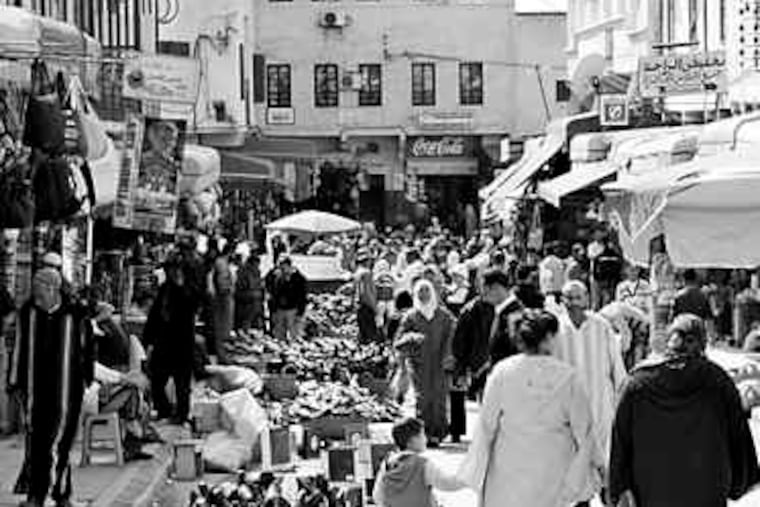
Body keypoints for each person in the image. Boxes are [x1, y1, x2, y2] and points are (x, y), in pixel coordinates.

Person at [609, 314, 760, 507]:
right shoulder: (718, 381)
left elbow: (619, 442)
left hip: (652, 494)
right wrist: (738, 483)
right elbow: (738, 438)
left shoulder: (636, 384)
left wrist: (619, 487)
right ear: (702, 343)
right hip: (707, 492)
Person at [458, 309, 601, 507]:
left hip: (508, 466)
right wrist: (593, 467)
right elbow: (583, 432)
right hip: (552, 466)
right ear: (549, 337)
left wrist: (478, 471)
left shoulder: (503, 371)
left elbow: (486, 425)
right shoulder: (568, 376)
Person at [9, 263, 94, 507]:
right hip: (35, 390)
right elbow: (19, 348)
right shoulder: (29, 313)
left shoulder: (75, 314)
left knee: (60, 443)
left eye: (40, 291)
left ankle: (60, 494)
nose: (36, 296)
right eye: (34, 291)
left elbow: (87, 348)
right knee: (37, 444)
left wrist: (87, 378)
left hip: (66, 391)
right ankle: (36, 495)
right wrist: (14, 382)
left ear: (54, 289)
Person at [555, 280, 627, 505]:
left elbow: (617, 369)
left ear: (587, 298)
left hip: (601, 412)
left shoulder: (601, 327)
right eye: (569, 298)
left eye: (578, 298)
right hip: (569, 418)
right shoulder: (555, 330)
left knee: (606, 473)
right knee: (577, 475)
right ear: (562, 301)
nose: (574, 303)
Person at [394, 280, 456, 447]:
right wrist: (411, 339)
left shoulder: (443, 315)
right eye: (420, 291)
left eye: (426, 291)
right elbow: (398, 341)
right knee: (423, 398)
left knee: (439, 398)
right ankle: (425, 433)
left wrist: (448, 356)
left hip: (439, 363)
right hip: (419, 364)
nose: (423, 295)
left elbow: (452, 335)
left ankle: (439, 432)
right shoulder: (411, 316)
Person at [90, 303, 153, 461]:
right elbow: (96, 371)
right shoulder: (84, 348)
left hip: (100, 391)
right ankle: (134, 435)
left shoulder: (102, 332)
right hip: (91, 398)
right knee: (133, 390)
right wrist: (124, 379)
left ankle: (134, 434)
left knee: (135, 391)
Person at [144, 254, 201, 425]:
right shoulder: (164, 290)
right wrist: (148, 340)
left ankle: (181, 415)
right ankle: (164, 410)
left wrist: (182, 284)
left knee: (182, 384)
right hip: (164, 343)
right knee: (157, 380)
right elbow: (155, 315)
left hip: (182, 345)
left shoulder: (189, 290)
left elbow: (193, 305)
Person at [372, 417, 467, 507]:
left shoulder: (387, 464)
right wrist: (470, 475)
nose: (425, 438)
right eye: (422, 434)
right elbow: (448, 483)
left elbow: (378, 496)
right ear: (412, 440)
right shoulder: (423, 465)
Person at [452, 278, 495, 401]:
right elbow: (459, 343)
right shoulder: (470, 310)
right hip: (478, 365)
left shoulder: (501, 308)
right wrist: (461, 369)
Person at [265, 256, 307, 341]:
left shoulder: (298, 279)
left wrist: (301, 311)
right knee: (279, 335)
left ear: (289, 266)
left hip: (293, 309)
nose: (282, 269)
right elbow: (271, 291)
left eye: (283, 267)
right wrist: (272, 309)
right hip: (279, 309)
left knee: (294, 335)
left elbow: (302, 296)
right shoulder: (276, 278)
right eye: (280, 267)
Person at [208, 240, 235, 363]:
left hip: (221, 299)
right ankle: (222, 356)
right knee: (222, 329)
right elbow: (222, 283)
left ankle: (222, 355)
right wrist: (228, 291)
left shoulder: (220, 262)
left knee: (222, 329)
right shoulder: (222, 263)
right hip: (222, 300)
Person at [355, 248, 381, 343]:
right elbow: (366, 292)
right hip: (366, 306)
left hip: (360, 306)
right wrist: (374, 307)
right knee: (371, 336)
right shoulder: (366, 273)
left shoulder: (357, 272)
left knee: (363, 335)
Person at [234, 253, 265, 330]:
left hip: (255, 302)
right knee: (246, 322)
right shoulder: (243, 272)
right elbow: (245, 285)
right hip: (247, 301)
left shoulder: (257, 272)